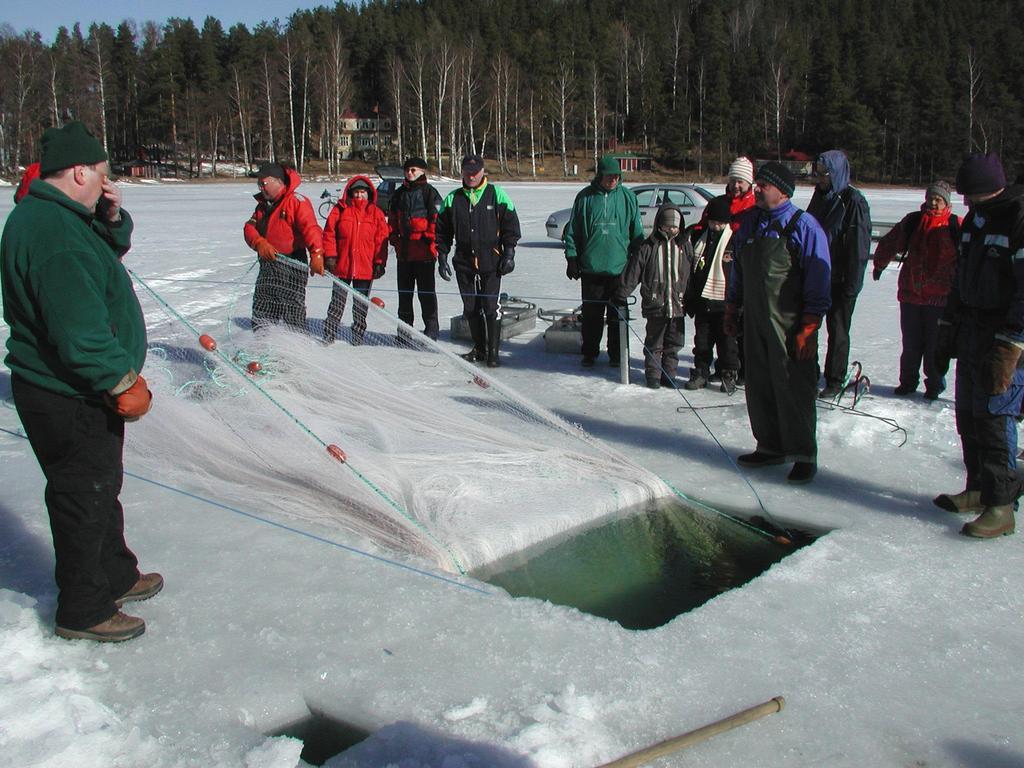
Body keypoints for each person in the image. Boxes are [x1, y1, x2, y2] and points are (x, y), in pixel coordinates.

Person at [0, 121, 162, 643]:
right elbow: (78, 326)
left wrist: (111, 215)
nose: (105, 185)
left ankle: (115, 572)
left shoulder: (58, 215)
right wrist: (118, 381)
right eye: (100, 176)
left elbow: (105, 250)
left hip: (73, 387)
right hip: (68, 391)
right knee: (83, 494)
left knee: (100, 485)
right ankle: (85, 608)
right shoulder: (51, 233)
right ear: (77, 172)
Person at [932, 153, 1024, 538]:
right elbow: (961, 276)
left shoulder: (1018, 219)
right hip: (971, 328)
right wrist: (947, 324)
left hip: (1003, 336)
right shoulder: (975, 220)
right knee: (968, 415)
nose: (964, 202)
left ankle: (1001, 506)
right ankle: (978, 488)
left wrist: (1012, 343)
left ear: (989, 188)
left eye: (970, 194)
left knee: (993, 420)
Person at [726, 161, 832, 485]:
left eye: (763, 185)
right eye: (755, 183)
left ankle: (803, 455)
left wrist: (809, 328)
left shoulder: (805, 226)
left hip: (790, 326)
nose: (756, 189)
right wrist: (732, 308)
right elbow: (738, 270)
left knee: (793, 388)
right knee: (759, 384)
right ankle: (770, 446)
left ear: (782, 191)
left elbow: (819, 280)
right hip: (756, 319)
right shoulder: (750, 224)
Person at [872, 180, 961, 400]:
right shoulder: (913, 221)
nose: (932, 202)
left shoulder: (955, 225)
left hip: (940, 299)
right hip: (911, 294)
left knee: (935, 346)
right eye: (930, 198)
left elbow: (968, 258)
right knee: (911, 344)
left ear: (946, 202)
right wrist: (879, 263)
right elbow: (890, 242)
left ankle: (935, 385)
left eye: (938, 199)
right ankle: (908, 381)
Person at [436, 154, 521, 367]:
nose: (472, 176)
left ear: (483, 171)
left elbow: (511, 226)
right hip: (464, 261)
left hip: (491, 261)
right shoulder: (452, 199)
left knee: (491, 307)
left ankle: (493, 352)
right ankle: (480, 348)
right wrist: (442, 256)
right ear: (462, 173)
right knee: (471, 307)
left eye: (475, 172)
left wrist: (509, 253)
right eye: (467, 173)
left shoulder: (496, 195)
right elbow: (442, 231)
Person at [564, 155, 645, 368]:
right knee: (592, 317)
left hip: (620, 269)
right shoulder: (585, 198)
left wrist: (639, 261)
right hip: (592, 268)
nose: (613, 180)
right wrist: (572, 257)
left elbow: (637, 233)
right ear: (600, 175)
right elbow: (573, 231)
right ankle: (590, 353)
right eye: (609, 176)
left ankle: (617, 355)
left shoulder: (628, 198)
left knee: (618, 317)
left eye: (616, 176)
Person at [807, 150, 872, 398]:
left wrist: (852, 283)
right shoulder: (819, 196)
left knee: (838, 329)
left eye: (825, 175)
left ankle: (834, 379)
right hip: (817, 275)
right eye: (818, 174)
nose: (820, 179)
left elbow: (859, 244)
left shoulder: (853, 201)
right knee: (809, 325)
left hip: (841, 278)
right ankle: (808, 375)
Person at [615, 205, 694, 388]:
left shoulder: (684, 245)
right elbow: (634, 271)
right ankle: (653, 375)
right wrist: (622, 292)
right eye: (667, 226)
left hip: (677, 305)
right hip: (655, 304)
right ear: (659, 225)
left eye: (674, 227)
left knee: (674, 344)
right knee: (654, 343)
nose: (670, 230)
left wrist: (691, 298)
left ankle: (669, 374)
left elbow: (692, 274)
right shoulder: (648, 246)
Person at [243, 162, 324, 333]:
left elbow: (311, 228)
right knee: (263, 308)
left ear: (278, 181)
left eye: (263, 183)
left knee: (292, 311)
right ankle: (263, 347)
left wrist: (317, 253)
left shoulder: (296, 202)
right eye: (259, 184)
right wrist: (259, 243)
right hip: (269, 265)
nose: (260, 187)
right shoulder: (262, 207)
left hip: (292, 264)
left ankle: (296, 350)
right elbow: (249, 228)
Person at [321, 175, 391, 345]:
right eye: (356, 193)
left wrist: (379, 262)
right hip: (342, 265)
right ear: (350, 194)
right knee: (337, 302)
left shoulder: (376, 213)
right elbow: (329, 234)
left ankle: (358, 336)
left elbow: (381, 240)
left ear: (368, 194)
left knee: (360, 304)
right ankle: (329, 333)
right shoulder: (340, 210)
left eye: (362, 193)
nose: (359, 196)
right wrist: (330, 256)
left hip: (365, 267)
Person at [685, 195, 740, 393]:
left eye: (720, 222)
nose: (716, 226)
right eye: (713, 222)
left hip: (724, 302)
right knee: (702, 341)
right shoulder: (700, 239)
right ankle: (701, 371)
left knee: (727, 343)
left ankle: (728, 373)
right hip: (703, 300)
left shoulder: (733, 241)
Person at [388, 157, 444, 340]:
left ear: (422, 171)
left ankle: (431, 332)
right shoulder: (399, 194)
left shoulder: (430, 193)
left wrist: (428, 239)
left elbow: (437, 221)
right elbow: (392, 221)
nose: (410, 173)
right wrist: (395, 239)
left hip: (424, 254)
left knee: (426, 294)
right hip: (404, 254)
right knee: (404, 296)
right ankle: (404, 333)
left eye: (413, 170)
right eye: (407, 170)